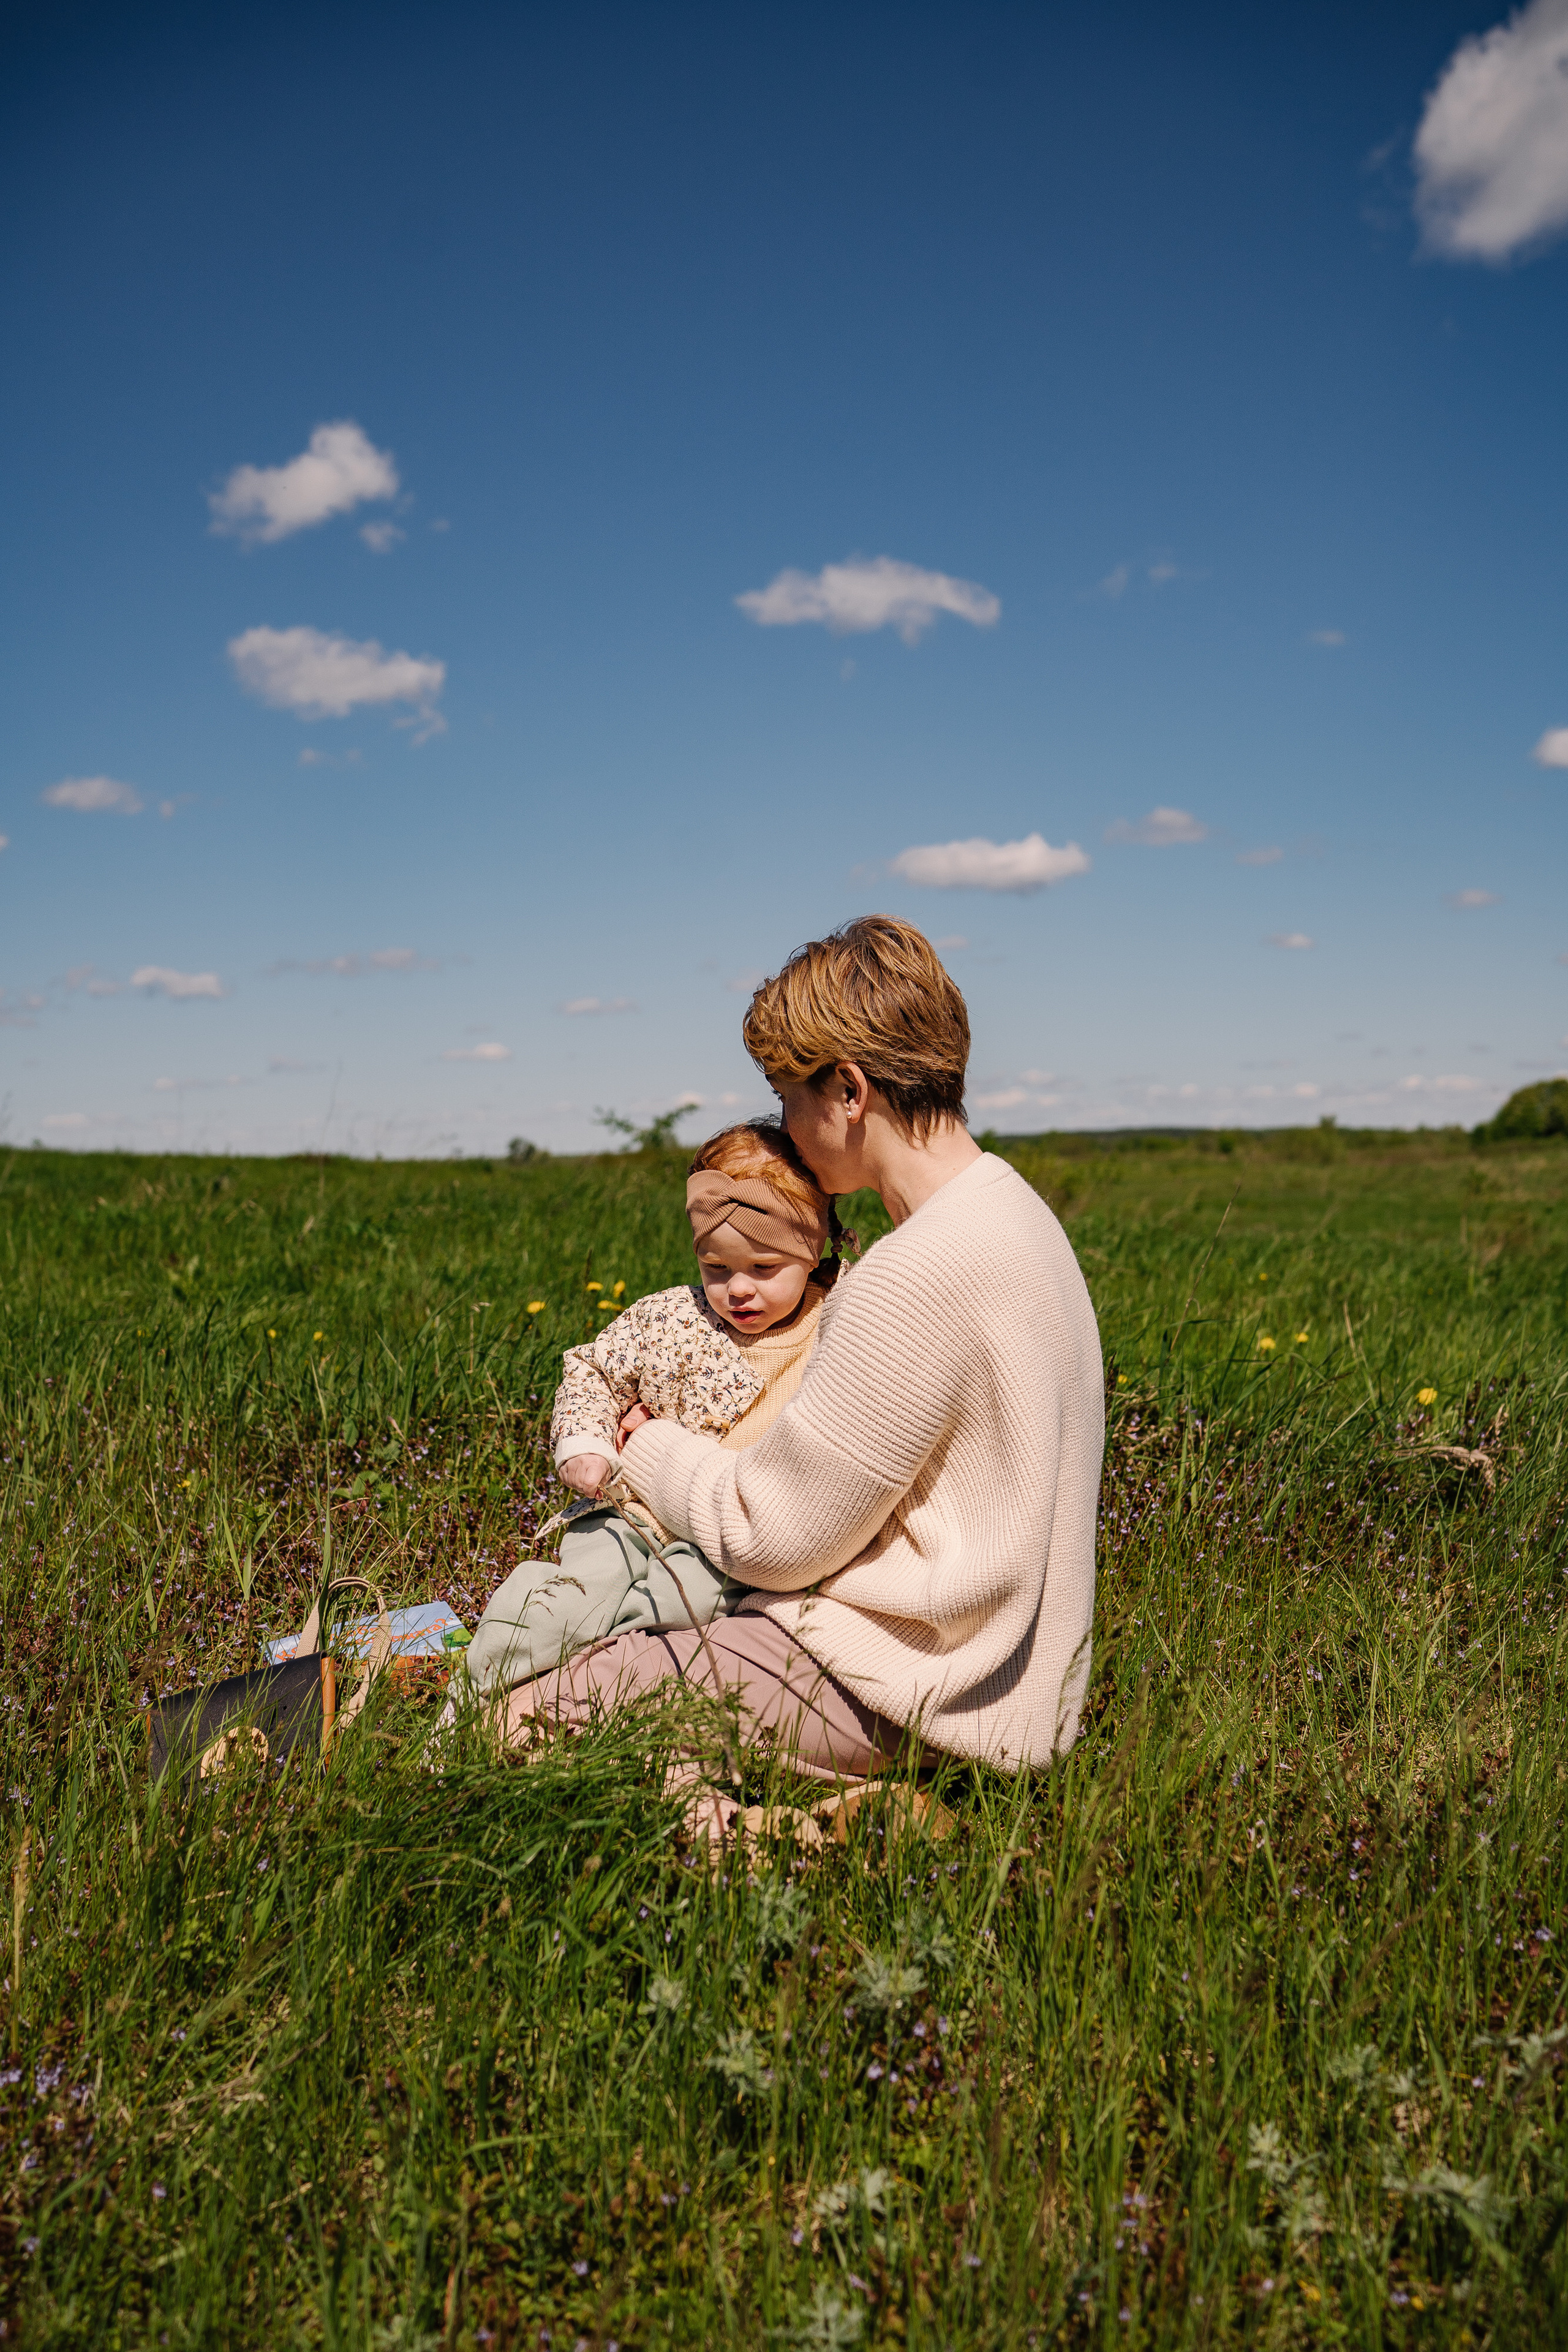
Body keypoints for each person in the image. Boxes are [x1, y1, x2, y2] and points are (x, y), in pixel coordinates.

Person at [503, 913, 1105, 1798]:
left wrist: (649, 1447)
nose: (784, 1122)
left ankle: (837, 1813)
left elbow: (773, 1537)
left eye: (789, 1096)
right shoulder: (1018, 1217)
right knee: (646, 1743)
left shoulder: (918, 1270)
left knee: (509, 1723)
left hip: (894, 1681)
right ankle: (800, 1830)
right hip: (1008, 1685)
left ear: (850, 1091)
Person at [462, 1121, 846, 1697]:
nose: (738, 1288)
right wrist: (585, 1444)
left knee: (680, 1610)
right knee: (566, 1600)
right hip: (630, 1511)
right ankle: (476, 1694)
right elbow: (593, 1368)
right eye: (716, 1267)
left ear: (811, 1249)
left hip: (728, 1541)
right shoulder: (670, 1317)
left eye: (764, 1268)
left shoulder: (838, 1323)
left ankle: (597, 1685)